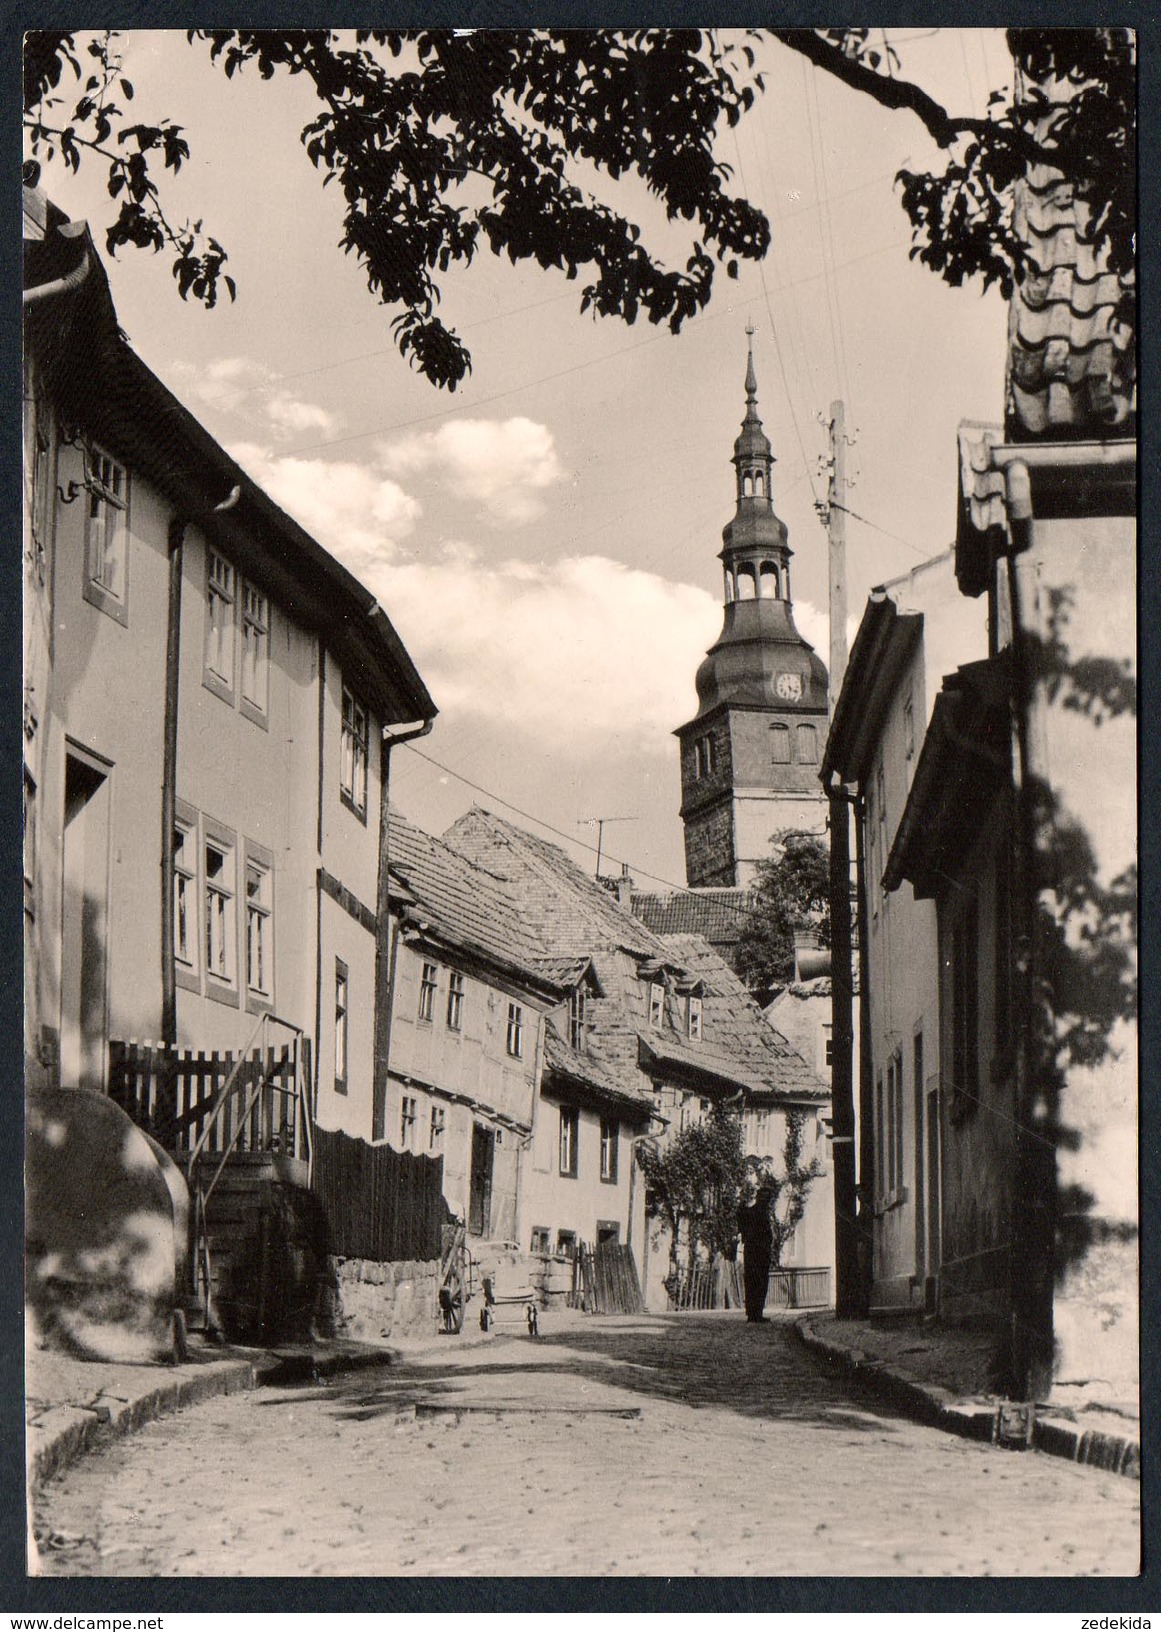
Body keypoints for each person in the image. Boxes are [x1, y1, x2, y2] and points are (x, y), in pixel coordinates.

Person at [737, 1179, 774, 1322]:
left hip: (750, 1252)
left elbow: (741, 1222)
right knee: (760, 1283)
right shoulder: (762, 1213)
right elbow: (767, 1235)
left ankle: (752, 1313)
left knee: (751, 1281)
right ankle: (756, 1313)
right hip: (760, 1253)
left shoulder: (749, 1212)